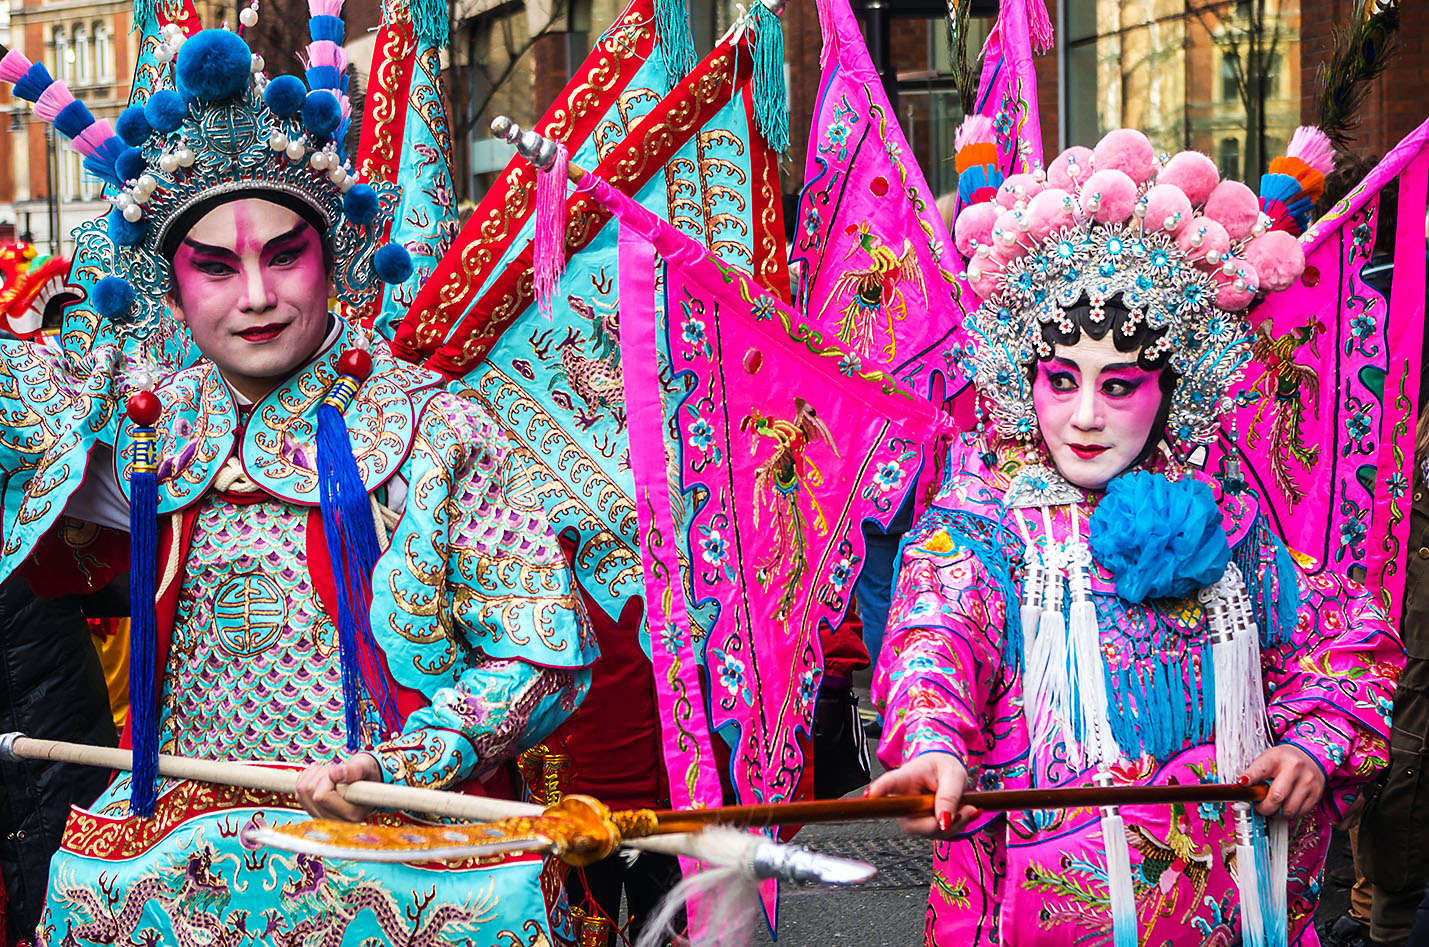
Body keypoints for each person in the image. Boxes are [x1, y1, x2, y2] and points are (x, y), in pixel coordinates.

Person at [0, 20, 595, 947]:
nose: (256, 297)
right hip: (181, 853)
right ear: (168, 284)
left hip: (389, 836)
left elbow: (542, 651)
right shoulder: (145, 425)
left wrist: (417, 757)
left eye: (284, 255)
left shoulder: (436, 429)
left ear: (337, 258)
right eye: (215, 266)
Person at [868, 125, 1403, 946]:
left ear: (1169, 388)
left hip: (1227, 909)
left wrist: (1310, 746)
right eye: (1059, 379)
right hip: (1038, 910)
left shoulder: (1231, 522)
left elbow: (1342, 646)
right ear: (1024, 375)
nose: (1083, 417)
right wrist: (933, 744)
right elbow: (931, 640)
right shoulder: (984, 524)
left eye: (1118, 385)